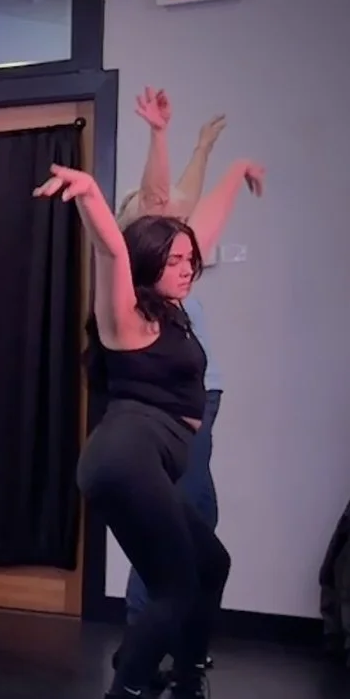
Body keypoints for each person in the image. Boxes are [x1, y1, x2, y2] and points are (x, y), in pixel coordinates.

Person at [38, 156, 262, 699]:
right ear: (148, 263)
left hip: (146, 460)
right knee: (174, 587)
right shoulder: (128, 320)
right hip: (125, 457)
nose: (188, 267)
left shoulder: (173, 303)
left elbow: (200, 233)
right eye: (176, 260)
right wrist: (89, 194)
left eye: (191, 261)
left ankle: (185, 692)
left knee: (210, 563)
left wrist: (235, 170)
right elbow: (111, 252)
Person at [120, 88, 228, 637]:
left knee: (198, 519)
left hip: (201, 399)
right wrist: (159, 134)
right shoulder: (135, 260)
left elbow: (181, 196)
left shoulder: (175, 256)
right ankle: (146, 638)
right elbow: (162, 194)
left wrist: (204, 148)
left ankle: (170, 642)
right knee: (173, 525)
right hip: (164, 408)